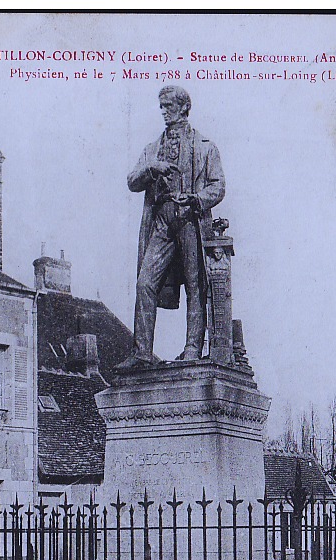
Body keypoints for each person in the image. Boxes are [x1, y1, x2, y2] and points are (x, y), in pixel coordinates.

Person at [115, 86, 226, 371]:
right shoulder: (152, 150)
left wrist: (197, 199)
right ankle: (142, 352)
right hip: (162, 220)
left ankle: (192, 348)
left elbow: (218, 186)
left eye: (168, 106)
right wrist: (153, 169)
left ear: (184, 108)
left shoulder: (205, 146)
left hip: (191, 218)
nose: (163, 111)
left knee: (195, 285)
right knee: (145, 282)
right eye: (161, 106)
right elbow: (132, 181)